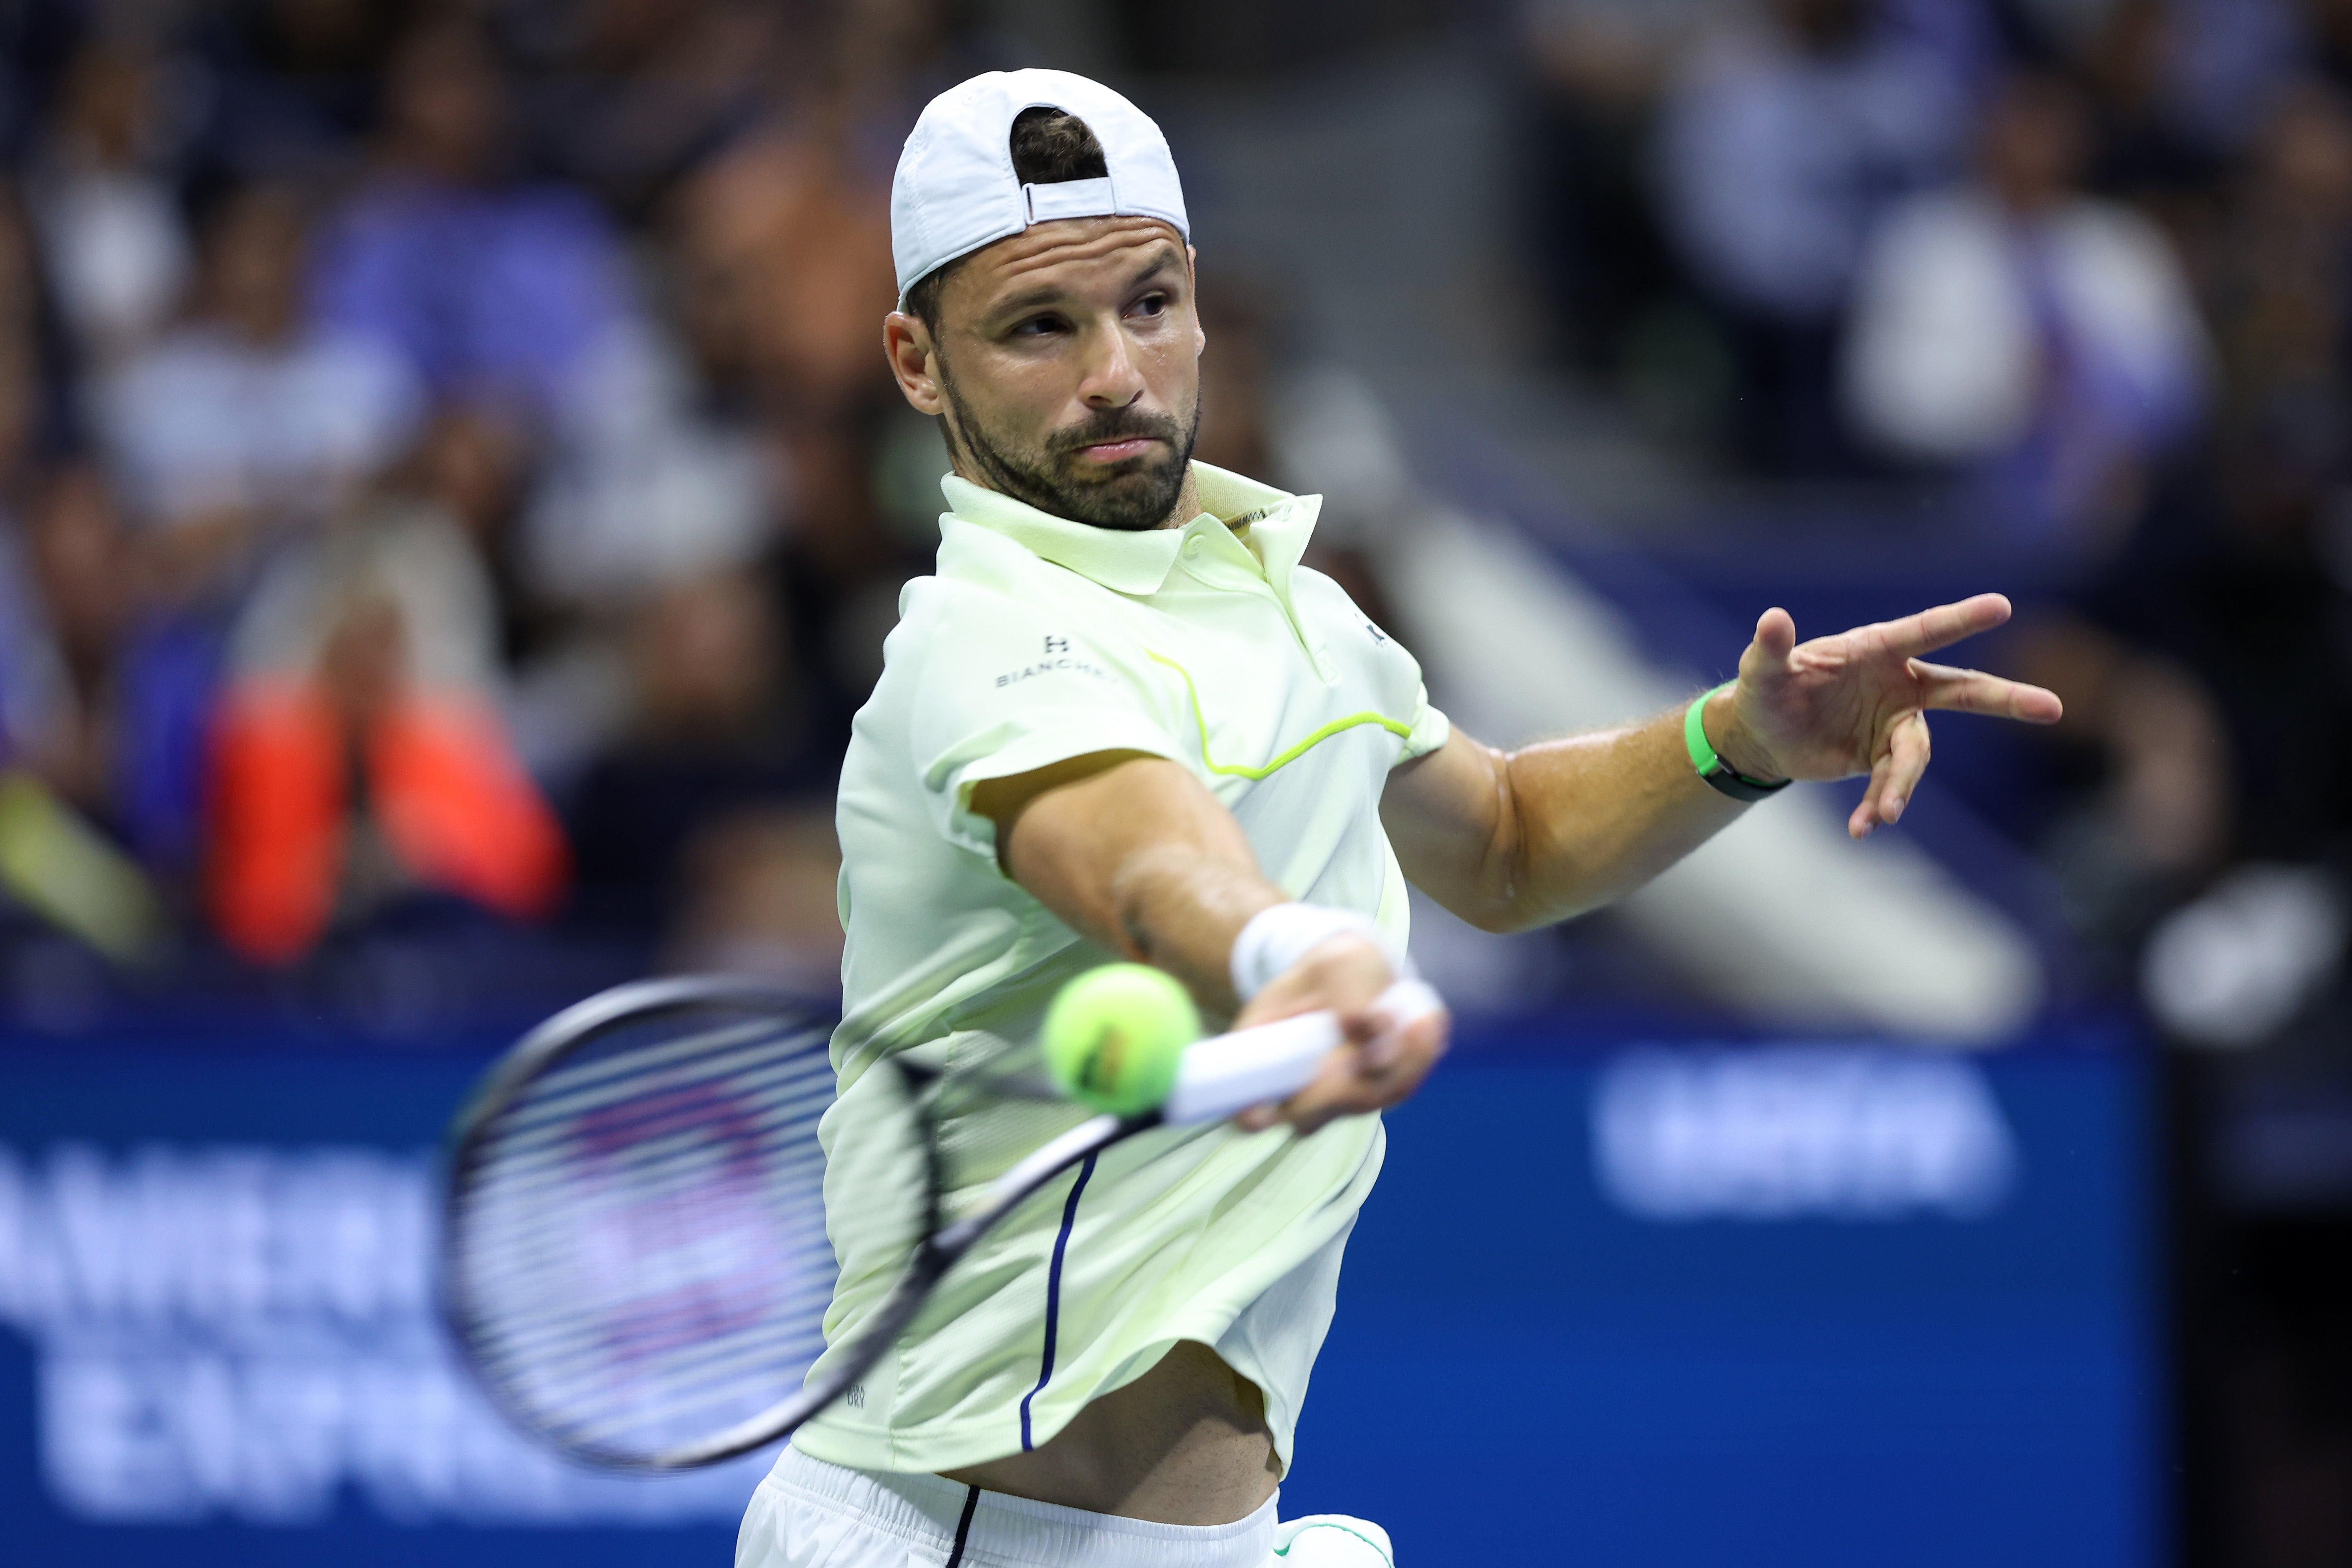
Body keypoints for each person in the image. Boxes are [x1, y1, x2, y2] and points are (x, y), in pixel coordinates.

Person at [736, 70, 2063, 1568]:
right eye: (1040, 326)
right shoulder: (980, 641)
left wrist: (1737, 740)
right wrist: (1276, 950)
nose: (1115, 369)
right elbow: (1135, 846)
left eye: (1152, 303)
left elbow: (1496, 839)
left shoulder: (1289, 607)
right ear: (917, 364)